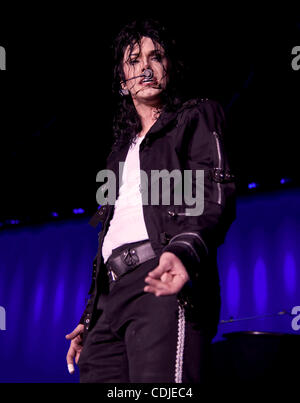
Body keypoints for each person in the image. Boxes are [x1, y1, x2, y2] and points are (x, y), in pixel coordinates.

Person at [65, 18, 236, 383]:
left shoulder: (195, 116)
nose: (145, 66)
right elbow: (110, 234)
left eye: (155, 56)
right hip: (108, 302)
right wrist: (88, 316)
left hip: (160, 276)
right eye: (133, 60)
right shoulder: (118, 153)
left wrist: (184, 251)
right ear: (122, 82)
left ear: (168, 67)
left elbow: (214, 191)